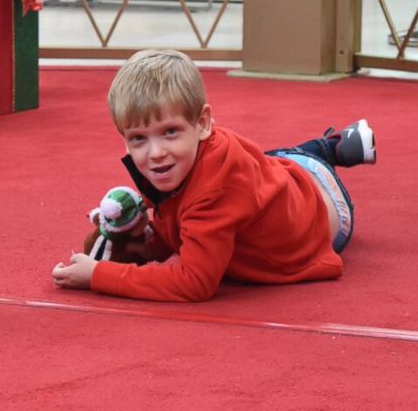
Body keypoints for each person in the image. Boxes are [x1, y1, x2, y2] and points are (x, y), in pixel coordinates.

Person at [51, 49, 376, 302]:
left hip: (325, 206)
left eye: (170, 132)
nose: (156, 152)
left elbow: (195, 282)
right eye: (139, 138)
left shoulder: (217, 190)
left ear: (204, 123)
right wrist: (146, 244)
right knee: (267, 161)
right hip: (278, 174)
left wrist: (99, 275)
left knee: (274, 163)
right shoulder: (178, 158)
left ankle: (329, 149)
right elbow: (176, 217)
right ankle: (329, 148)